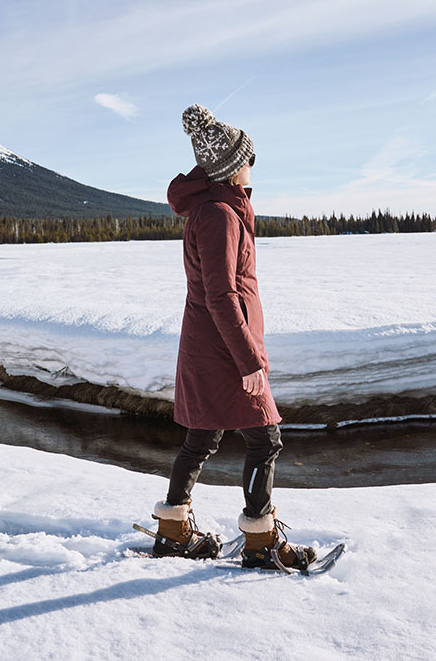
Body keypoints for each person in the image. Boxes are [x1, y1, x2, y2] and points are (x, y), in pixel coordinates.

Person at [150, 104, 316, 571]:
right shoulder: (220, 215)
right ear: (228, 166)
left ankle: (173, 530)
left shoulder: (217, 209)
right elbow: (221, 295)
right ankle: (260, 542)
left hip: (209, 346)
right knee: (266, 439)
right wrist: (249, 363)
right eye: (249, 157)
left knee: (201, 437)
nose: (252, 164)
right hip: (224, 351)